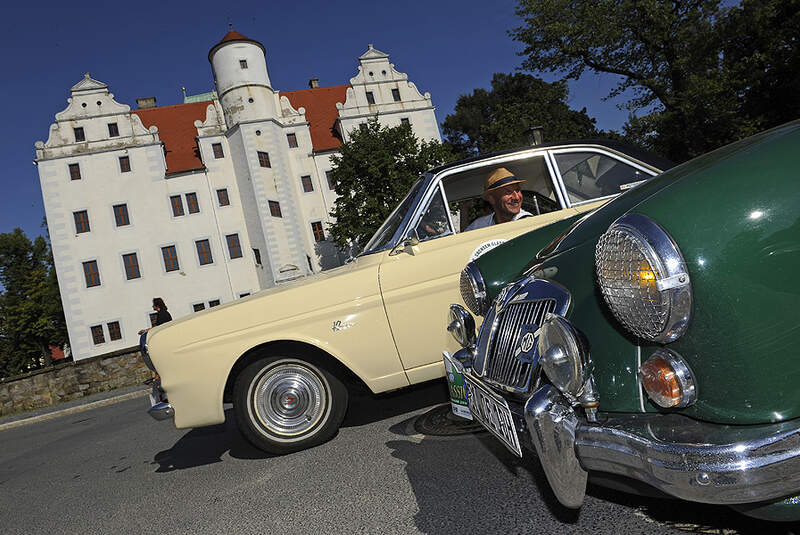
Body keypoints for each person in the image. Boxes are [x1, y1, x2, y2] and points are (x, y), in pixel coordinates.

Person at [465, 167, 533, 231]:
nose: (517, 197)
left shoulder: (530, 223)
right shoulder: (478, 227)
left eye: (518, 190)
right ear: (491, 199)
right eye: (508, 192)